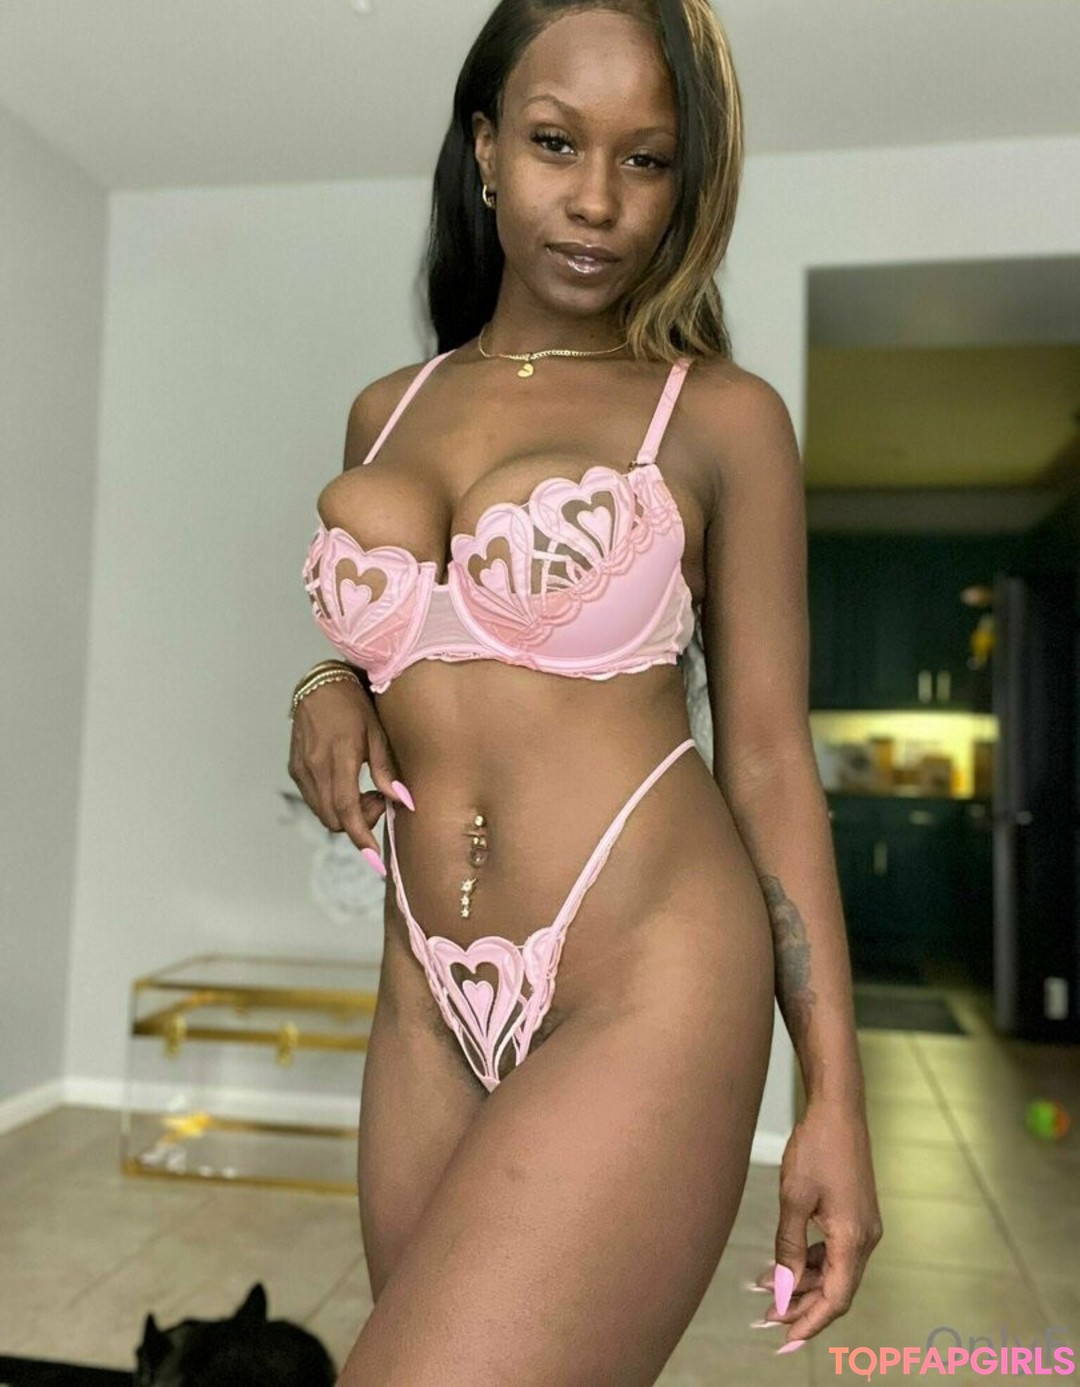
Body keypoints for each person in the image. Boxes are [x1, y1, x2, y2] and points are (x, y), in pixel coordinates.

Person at [288, 0, 881, 1380]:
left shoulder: (719, 415)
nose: (600, 201)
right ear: (487, 147)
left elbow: (769, 760)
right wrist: (325, 678)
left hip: (649, 968)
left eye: (647, 159)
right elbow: (413, 645)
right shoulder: (389, 408)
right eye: (558, 142)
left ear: (686, 184)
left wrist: (836, 1098)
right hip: (425, 990)